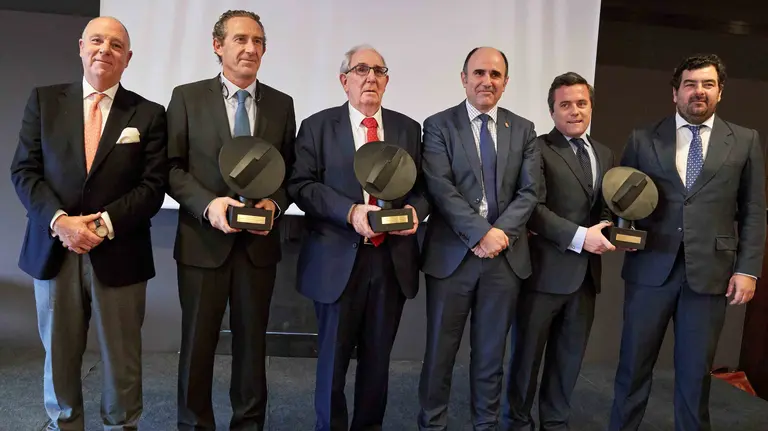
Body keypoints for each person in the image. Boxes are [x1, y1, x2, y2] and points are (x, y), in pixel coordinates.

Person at [9, 16, 167, 430]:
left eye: (116, 45)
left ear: (127, 58)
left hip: (120, 251)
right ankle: (64, 424)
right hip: (53, 249)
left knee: (122, 358)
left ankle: (121, 426)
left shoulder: (149, 114)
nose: (105, 50)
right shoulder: (44, 101)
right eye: (97, 40)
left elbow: (153, 186)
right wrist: (61, 222)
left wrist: (97, 228)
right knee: (59, 355)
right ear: (81, 46)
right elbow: (24, 171)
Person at [609, 53, 766, 431]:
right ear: (675, 92)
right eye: (690, 84)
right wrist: (621, 231)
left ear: (720, 92)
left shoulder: (745, 140)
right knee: (632, 368)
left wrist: (748, 270)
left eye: (708, 84)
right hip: (650, 269)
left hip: (710, 275)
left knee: (696, 376)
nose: (699, 91)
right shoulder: (643, 138)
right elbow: (621, 200)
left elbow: (753, 210)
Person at [287, 44, 428, 431]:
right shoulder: (317, 126)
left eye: (379, 71)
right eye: (361, 70)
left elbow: (423, 189)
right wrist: (350, 212)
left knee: (378, 362)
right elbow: (302, 186)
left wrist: (415, 211)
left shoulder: (407, 129)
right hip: (337, 260)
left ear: (386, 81)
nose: (371, 78)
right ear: (344, 80)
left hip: (391, 261)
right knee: (332, 363)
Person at [166, 10, 296, 430]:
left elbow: (290, 173)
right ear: (217, 45)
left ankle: (249, 424)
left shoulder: (281, 104)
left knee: (253, 347)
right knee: (197, 346)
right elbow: (171, 168)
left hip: (258, 247)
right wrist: (209, 205)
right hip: (202, 243)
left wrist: (274, 203)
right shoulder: (187, 98)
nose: (250, 48)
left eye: (258, 41)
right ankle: (194, 425)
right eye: (240, 39)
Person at [418, 46, 540, 430]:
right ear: (464, 78)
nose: (487, 81)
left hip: (504, 259)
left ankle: (485, 426)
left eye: (495, 75)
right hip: (452, 258)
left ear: (505, 82)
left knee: (490, 358)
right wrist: (480, 233)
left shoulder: (524, 129)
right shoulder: (438, 125)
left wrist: (499, 234)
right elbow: (440, 188)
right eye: (479, 73)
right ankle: (432, 425)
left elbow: (530, 192)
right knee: (440, 356)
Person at [502, 72, 615, 431]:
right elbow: (533, 208)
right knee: (526, 360)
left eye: (581, 103)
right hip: (543, 276)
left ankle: (555, 422)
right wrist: (581, 237)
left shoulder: (604, 153)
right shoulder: (537, 148)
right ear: (552, 111)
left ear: (591, 107)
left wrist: (611, 227)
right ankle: (517, 423)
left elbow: (605, 207)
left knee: (568, 361)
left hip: (586, 279)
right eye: (565, 104)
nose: (574, 111)